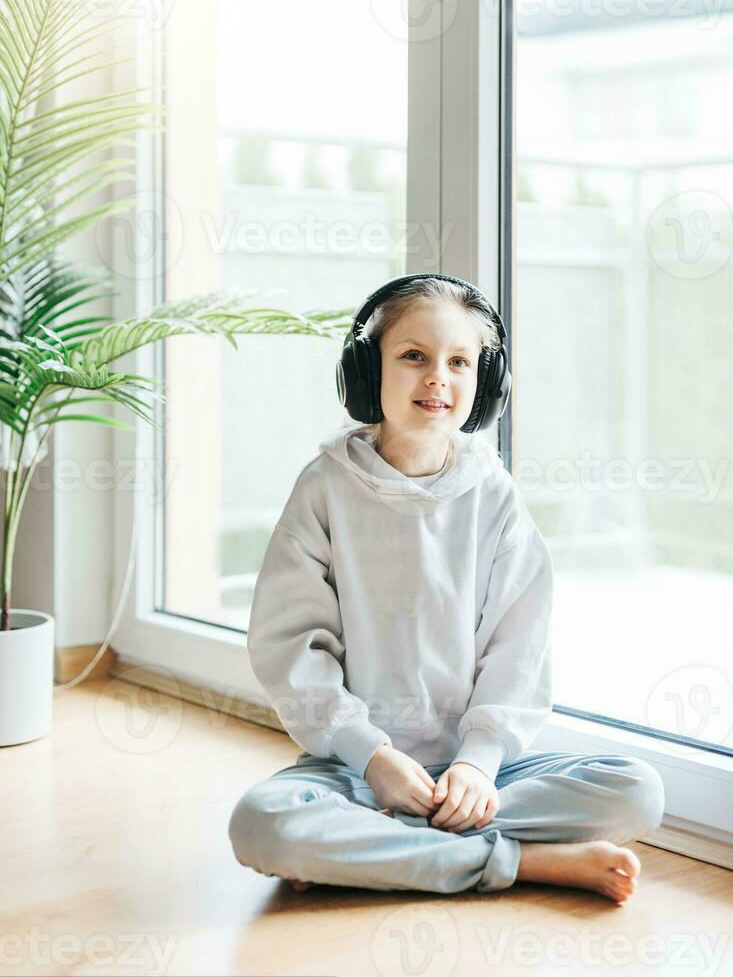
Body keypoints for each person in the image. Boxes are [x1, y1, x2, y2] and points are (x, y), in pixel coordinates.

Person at [228, 274, 665, 904]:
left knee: (638, 790)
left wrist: (478, 762)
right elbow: (290, 646)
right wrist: (372, 758)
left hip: (480, 772)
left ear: (483, 383)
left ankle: (373, 851)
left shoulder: (494, 494)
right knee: (263, 825)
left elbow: (521, 644)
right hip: (358, 768)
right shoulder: (324, 488)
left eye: (459, 362)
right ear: (364, 369)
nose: (438, 377)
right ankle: (524, 863)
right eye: (413, 356)